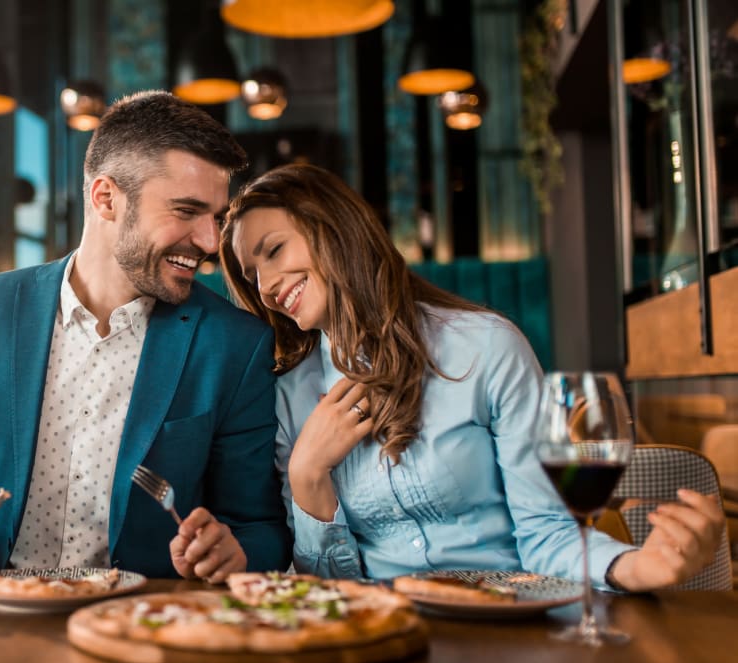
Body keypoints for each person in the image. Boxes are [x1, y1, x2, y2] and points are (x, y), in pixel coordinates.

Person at [218, 163, 724, 591]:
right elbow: (331, 589)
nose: (263, 287)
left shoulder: (485, 347)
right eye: (250, 273)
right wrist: (308, 475)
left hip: (510, 625)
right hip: (386, 637)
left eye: (274, 251)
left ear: (333, 228)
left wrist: (637, 567)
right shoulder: (288, 395)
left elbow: (547, 533)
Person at [0, 91, 291, 584]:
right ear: (105, 198)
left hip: (139, 627)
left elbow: (261, 529)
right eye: (186, 211)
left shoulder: (235, 345)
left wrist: (236, 552)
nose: (208, 242)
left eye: (216, 218)